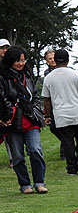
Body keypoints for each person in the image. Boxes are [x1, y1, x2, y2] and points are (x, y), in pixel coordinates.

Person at [42, 49, 78, 175]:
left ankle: (71, 167)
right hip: (77, 111)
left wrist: (47, 115)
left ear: (55, 61)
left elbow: (47, 99)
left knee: (67, 140)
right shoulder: (75, 74)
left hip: (61, 114)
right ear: (68, 60)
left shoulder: (48, 78)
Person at [1, 46, 47, 193]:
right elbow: (2, 99)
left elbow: (35, 95)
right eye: (17, 60)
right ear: (10, 60)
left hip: (30, 119)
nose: (20, 63)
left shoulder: (27, 75)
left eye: (22, 60)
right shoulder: (3, 77)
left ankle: (40, 182)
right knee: (18, 156)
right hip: (13, 121)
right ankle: (25, 184)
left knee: (35, 150)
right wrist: (8, 114)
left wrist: (36, 110)